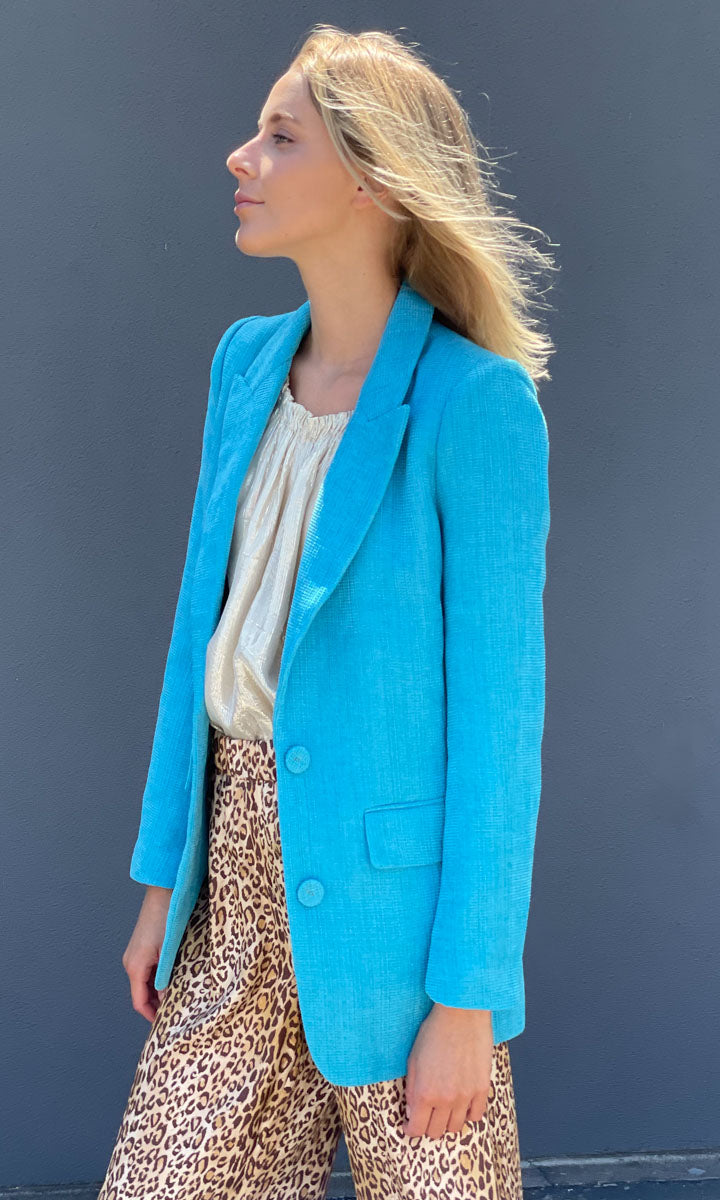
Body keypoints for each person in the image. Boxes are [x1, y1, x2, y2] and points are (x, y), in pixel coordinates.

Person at [97, 22, 555, 1200]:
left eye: (279, 137)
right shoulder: (245, 367)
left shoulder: (475, 404)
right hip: (230, 911)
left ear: (373, 182)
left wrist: (467, 1002)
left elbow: (500, 736)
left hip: (401, 950)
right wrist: (164, 888)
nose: (240, 157)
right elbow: (195, 643)